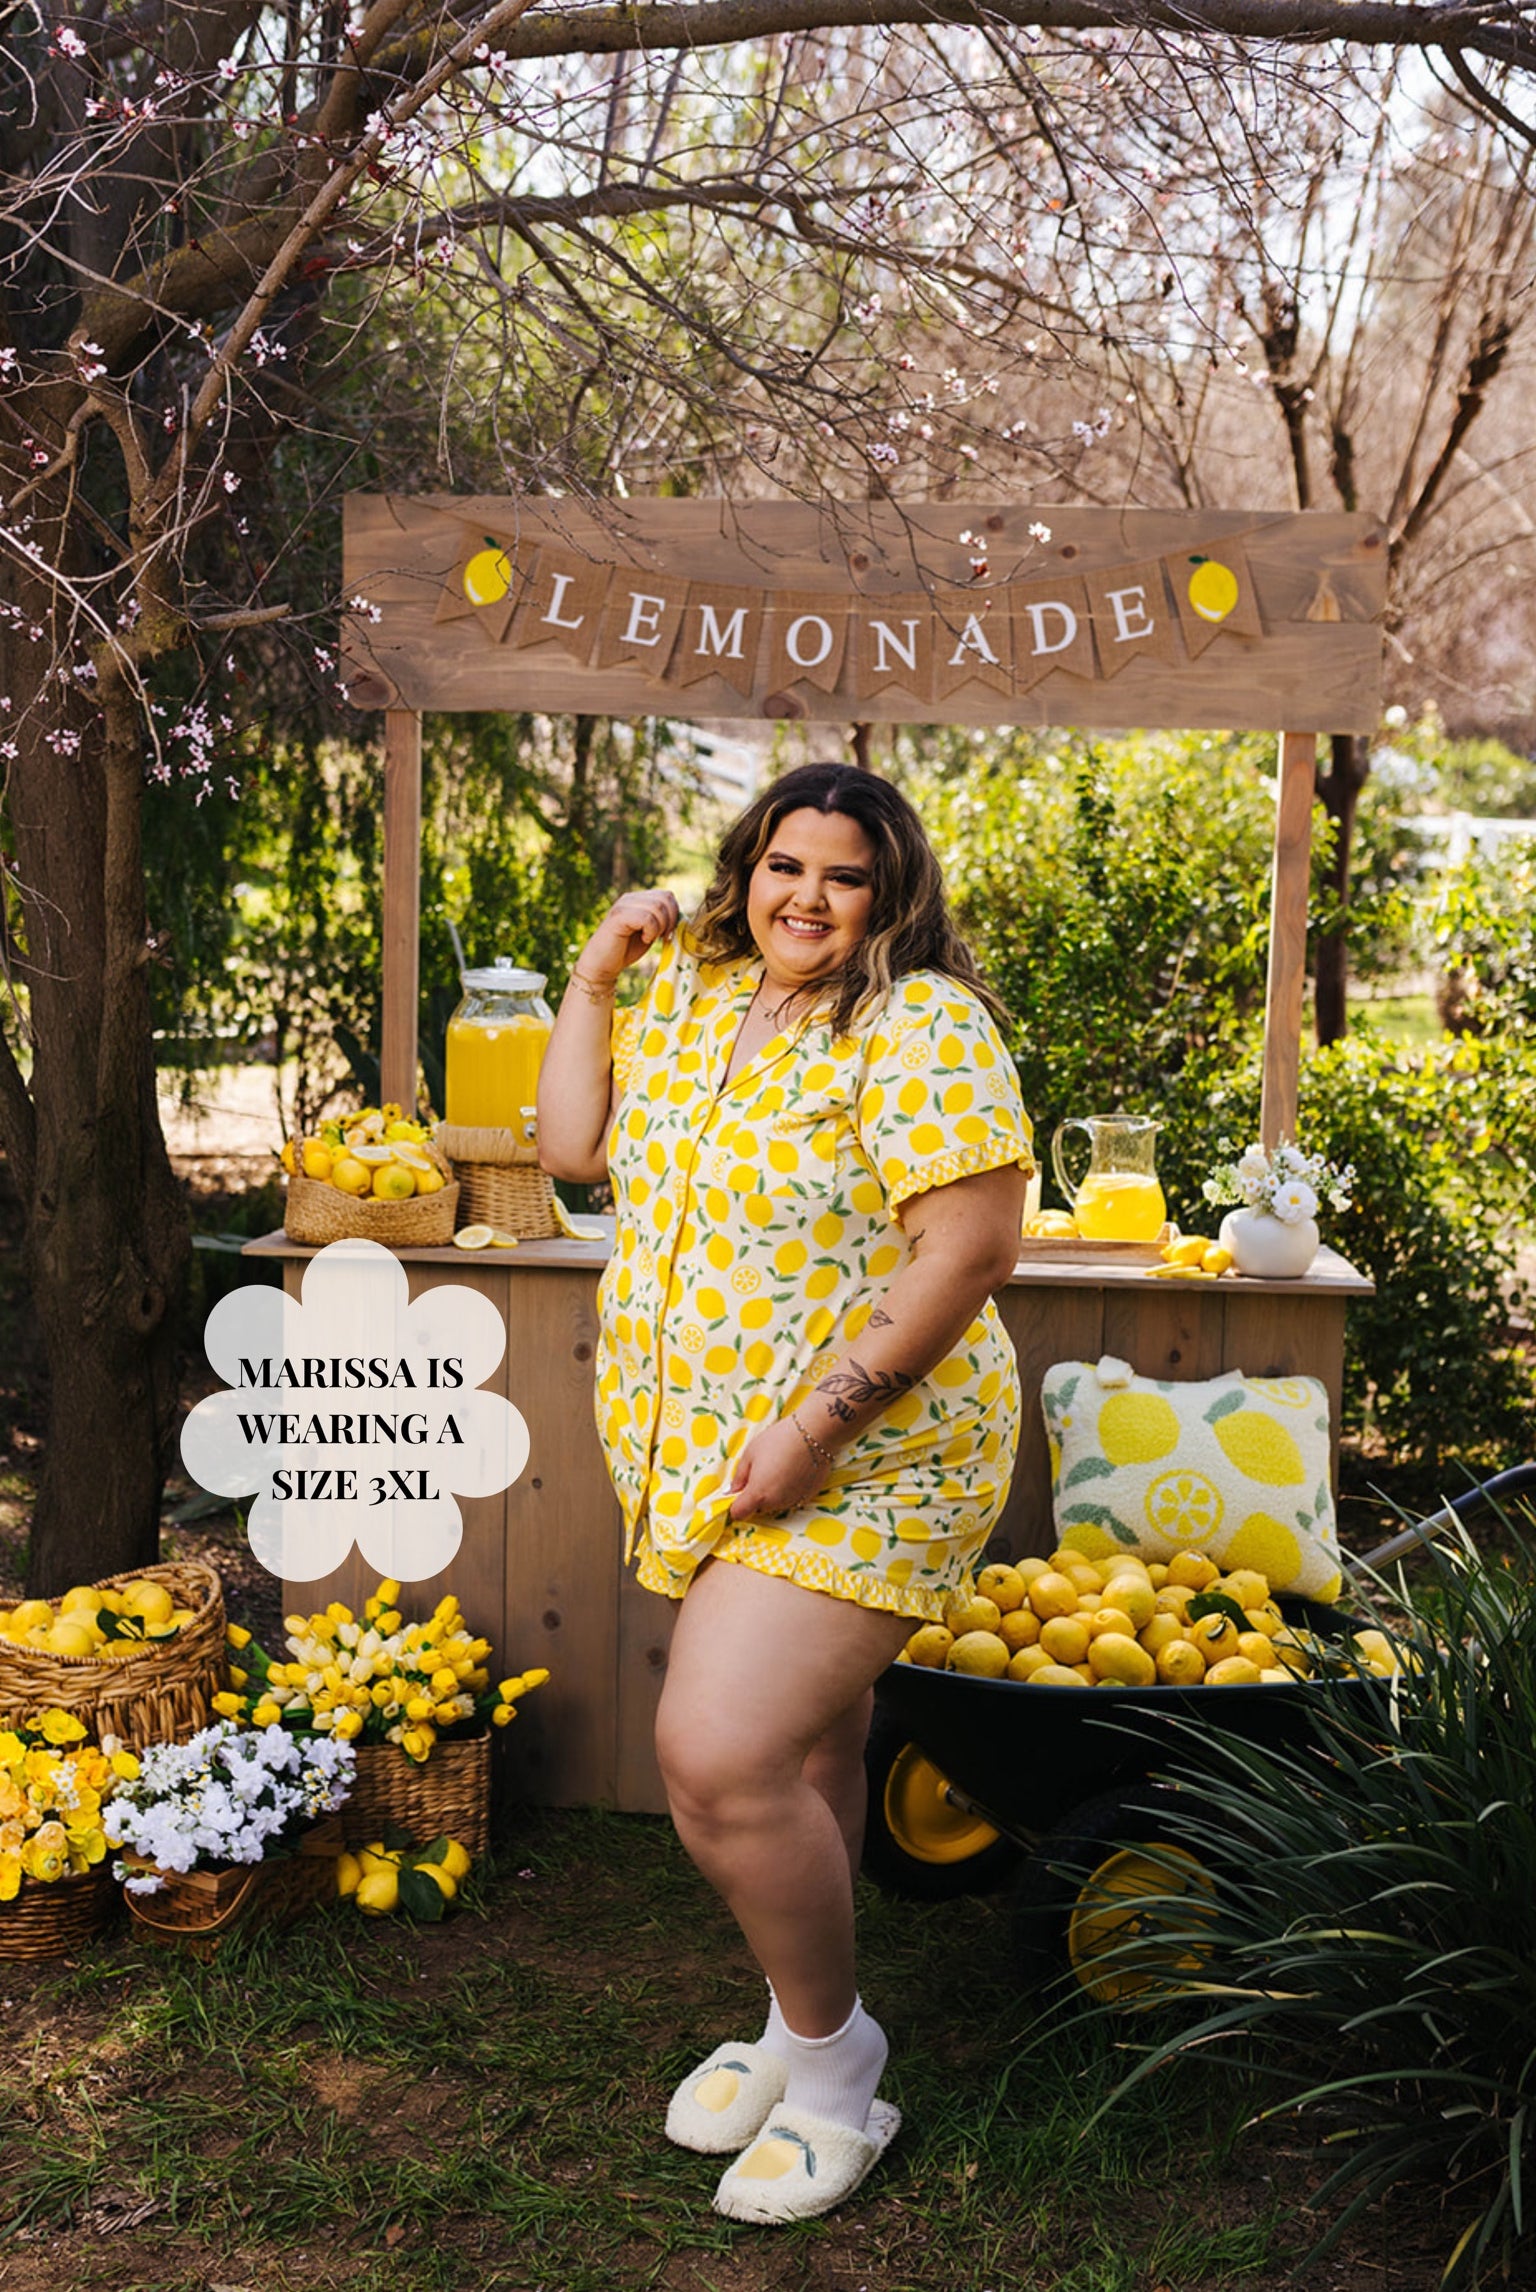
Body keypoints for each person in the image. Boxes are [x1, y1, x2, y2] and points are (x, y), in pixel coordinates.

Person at [537, 762, 1033, 2224]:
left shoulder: (919, 1023)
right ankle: (787, 2021)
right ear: (745, 867)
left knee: (716, 1753)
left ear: (891, 895)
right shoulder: (693, 1001)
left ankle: (832, 2069)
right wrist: (591, 980)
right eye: (784, 866)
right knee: (810, 1760)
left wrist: (820, 1424)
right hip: (710, 1450)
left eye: (845, 876)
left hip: (877, 1450)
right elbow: (572, 1151)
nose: (807, 898)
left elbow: (973, 1249)